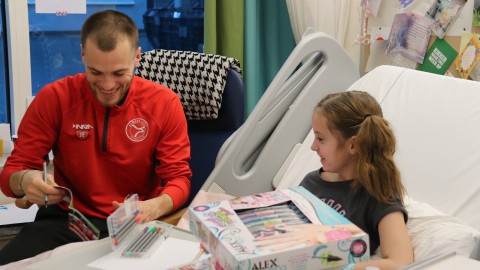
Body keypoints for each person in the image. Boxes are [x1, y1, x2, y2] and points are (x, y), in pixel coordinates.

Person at [0, 10, 191, 265]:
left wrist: (153, 208)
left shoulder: (164, 104)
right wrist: (24, 180)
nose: (108, 85)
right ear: (82, 54)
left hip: (135, 226)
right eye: (96, 72)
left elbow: (179, 179)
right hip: (66, 222)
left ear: (137, 57)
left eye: (118, 73)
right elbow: (11, 173)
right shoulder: (55, 98)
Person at [257, 91, 413, 270]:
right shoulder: (312, 182)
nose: (313, 146)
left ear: (353, 145)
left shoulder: (378, 196)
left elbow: (401, 261)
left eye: (321, 139)